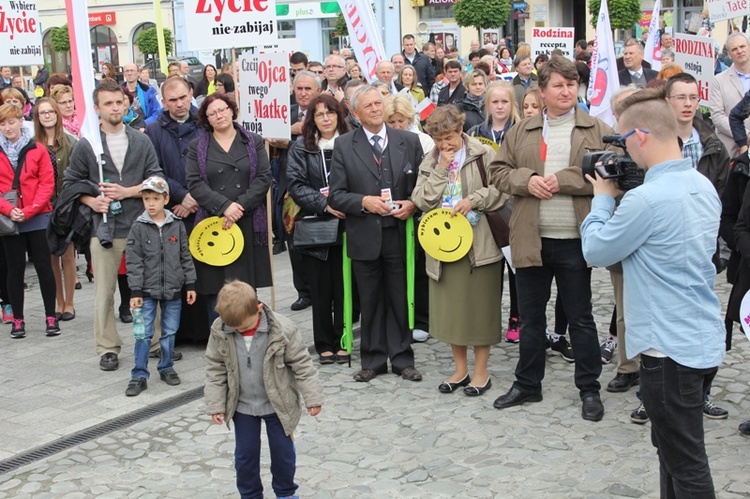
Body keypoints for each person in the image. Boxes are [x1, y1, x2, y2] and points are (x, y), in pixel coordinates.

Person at [581, 87, 725, 499]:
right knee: (672, 452)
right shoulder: (702, 185)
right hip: (698, 337)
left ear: (641, 136)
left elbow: (595, 249)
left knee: (686, 462)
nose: (625, 154)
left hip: (668, 349)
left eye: (625, 142)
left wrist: (602, 200)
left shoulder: (646, 199)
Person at [491, 57, 610, 421]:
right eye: (558, 85)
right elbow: (498, 172)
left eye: (572, 85)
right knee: (530, 319)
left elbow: (611, 168)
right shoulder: (522, 130)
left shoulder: (596, 128)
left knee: (581, 318)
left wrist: (567, 180)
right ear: (541, 92)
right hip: (531, 238)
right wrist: (526, 180)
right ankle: (528, 383)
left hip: (575, 239)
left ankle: (589, 388)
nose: (567, 91)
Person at [63, 79, 164, 371]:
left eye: (119, 102)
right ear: (97, 108)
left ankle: (154, 341)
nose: (115, 107)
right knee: (104, 291)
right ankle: (107, 347)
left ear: (126, 103)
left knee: (146, 287)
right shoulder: (88, 145)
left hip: (141, 225)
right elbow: (70, 183)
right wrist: (91, 200)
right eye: (108, 103)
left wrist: (129, 191)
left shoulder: (141, 140)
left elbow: (157, 179)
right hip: (104, 229)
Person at [328, 85, 424, 382]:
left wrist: (413, 204)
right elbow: (336, 195)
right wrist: (363, 202)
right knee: (369, 300)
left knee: (398, 296)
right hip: (364, 234)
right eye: (367, 105)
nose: (375, 108)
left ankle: (402, 358)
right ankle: (372, 359)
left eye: (378, 103)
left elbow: (422, 185)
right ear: (355, 113)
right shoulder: (344, 145)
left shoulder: (408, 141)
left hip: (397, 232)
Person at [412, 105, 509, 396]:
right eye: (439, 139)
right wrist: (441, 168)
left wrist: (474, 199)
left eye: (450, 137)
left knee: (480, 310)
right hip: (444, 246)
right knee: (452, 311)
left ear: (460, 130)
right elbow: (421, 199)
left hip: (480, 244)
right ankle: (460, 369)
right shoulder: (431, 160)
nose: (446, 144)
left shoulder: (483, 152)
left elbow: (502, 189)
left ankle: (481, 372)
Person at [205, 280, 323, 499]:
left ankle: (286, 492)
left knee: (283, 454)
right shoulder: (220, 329)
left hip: (278, 403)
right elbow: (215, 368)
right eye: (235, 328)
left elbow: (302, 365)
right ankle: (250, 495)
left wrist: (313, 398)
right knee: (245, 456)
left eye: (244, 326)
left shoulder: (282, 329)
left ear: (258, 309)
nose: (239, 331)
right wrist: (216, 403)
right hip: (243, 406)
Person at [186, 93, 272, 324]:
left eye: (222, 109)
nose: (219, 115)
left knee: (245, 287)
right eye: (212, 113)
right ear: (206, 118)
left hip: (247, 221)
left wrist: (240, 206)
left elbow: (263, 178)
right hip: (214, 223)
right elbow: (194, 183)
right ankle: (220, 340)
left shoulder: (252, 141)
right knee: (217, 288)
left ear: (232, 110)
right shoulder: (197, 147)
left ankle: (251, 334)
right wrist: (224, 207)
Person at [286, 94, 350, 364]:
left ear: (338, 115)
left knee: (345, 287)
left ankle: (344, 338)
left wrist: (349, 202)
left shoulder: (351, 142)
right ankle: (324, 342)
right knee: (321, 288)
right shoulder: (302, 147)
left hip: (349, 221)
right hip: (318, 222)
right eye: (319, 114)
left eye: (330, 112)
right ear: (311, 119)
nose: (325, 118)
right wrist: (325, 204)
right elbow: (296, 184)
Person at [144, 76, 204, 347]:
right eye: (173, 100)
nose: (180, 104)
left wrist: (196, 197)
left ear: (191, 93)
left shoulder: (205, 122)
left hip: (204, 206)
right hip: (173, 209)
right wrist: (180, 196)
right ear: (163, 101)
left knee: (203, 269)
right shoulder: (154, 130)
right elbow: (154, 169)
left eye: (183, 97)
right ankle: (176, 332)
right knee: (175, 269)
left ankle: (204, 330)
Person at [124, 176, 196, 396]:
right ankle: (138, 373)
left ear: (166, 199)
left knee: (169, 331)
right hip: (145, 291)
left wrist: (190, 283)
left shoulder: (177, 225)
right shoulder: (138, 226)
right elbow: (133, 261)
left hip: (173, 289)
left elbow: (185, 255)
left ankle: (166, 366)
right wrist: (135, 290)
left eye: (155, 198)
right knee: (143, 333)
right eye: (146, 199)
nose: (151, 203)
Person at [467, 81, 521, 342]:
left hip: (513, 208)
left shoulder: (521, 131)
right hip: (484, 208)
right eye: (495, 102)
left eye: (505, 102)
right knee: (487, 266)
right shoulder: (475, 132)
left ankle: (516, 317)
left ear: (512, 105)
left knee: (515, 267)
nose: (500, 107)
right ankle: (487, 317)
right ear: (487, 105)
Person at [0, 103, 58, 338]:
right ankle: (18, 319)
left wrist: (32, 209)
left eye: (11, 122)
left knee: (44, 266)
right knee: (14, 270)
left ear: (19, 122)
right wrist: (7, 209)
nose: (7, 127)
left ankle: (50, 316)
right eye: (2, 124)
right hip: (9, 218)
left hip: (38, 215)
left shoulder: (38, 149)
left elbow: (47, 183)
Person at [382, 94, 433, 343]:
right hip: (392, 212)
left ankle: (422, 318)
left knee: (420, 269)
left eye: (399, 120)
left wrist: (415, 202)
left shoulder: (422, 141)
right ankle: (400, 317)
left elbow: (429, 177)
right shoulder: (383, 142)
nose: (395, 126)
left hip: (418, 213)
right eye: (390, 122)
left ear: (408, 119)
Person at [34, 98, 79, 321]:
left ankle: (70, 303)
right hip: (43, 207)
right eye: (43, 113)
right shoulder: (33, 144)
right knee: (50, 255)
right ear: (37, 117)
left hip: (65, 206)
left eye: (51, 111)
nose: (48, 116)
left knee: (68, 255)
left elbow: (76, 175)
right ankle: (58, 302)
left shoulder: (70, 142)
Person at [710, 33, 750, 158]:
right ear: (729, 54)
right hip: (731, 151)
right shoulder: (718, 80)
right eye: (734, 49)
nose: (739, 51)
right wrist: (745, 135)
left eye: (742, 46)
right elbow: (717, 116)